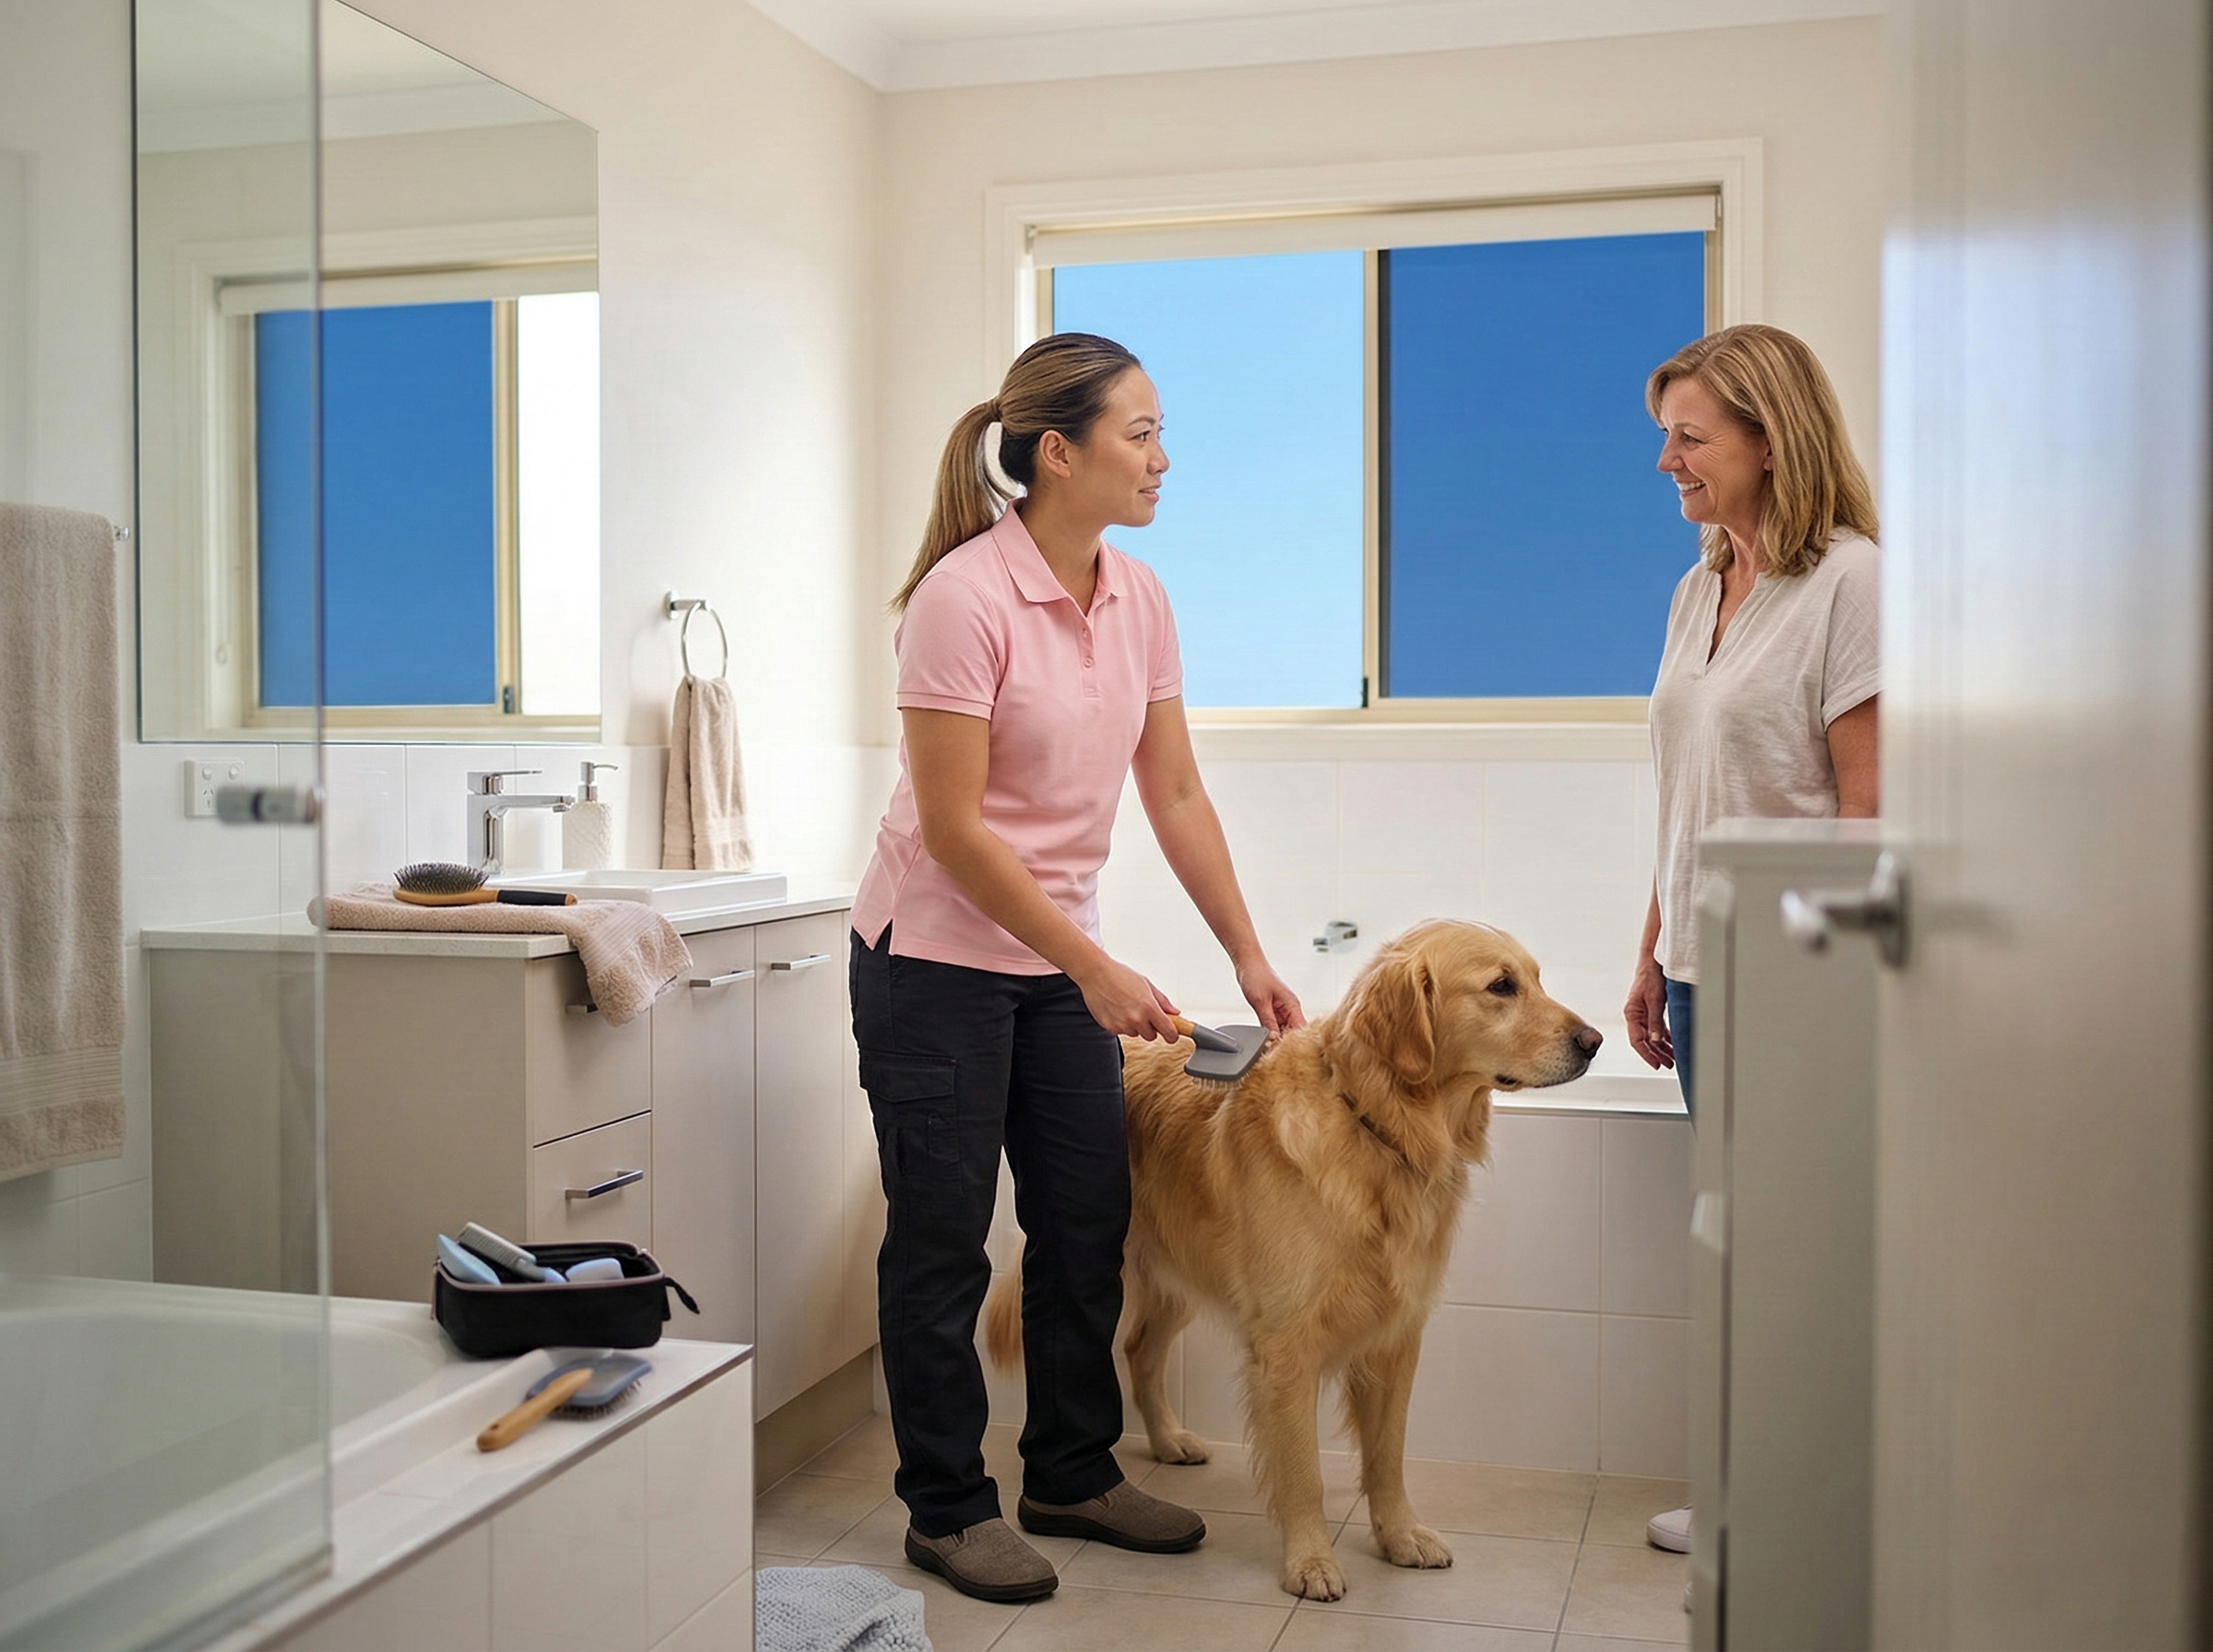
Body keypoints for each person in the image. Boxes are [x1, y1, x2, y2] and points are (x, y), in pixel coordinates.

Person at [849, 332, 1307, 1605]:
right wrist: (1094, 967)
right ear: (1060, 453)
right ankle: (945, 1508)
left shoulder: (1138, 595)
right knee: (941, 1243)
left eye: (1161, 433)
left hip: (1052, 959)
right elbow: (954, 829)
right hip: (935, 959)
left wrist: (1249, 955)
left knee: (1087, 1224)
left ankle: (1071, 1471)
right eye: (1141, 432)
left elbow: (1172, 788)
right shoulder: (965, 597)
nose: (1163, 457)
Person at [1622, 323, 1880, 1560]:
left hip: (1799, 975)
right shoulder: (1696, 584)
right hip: (1699, 972)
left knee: (1793, 1255)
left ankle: (1790, 1515)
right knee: (1739, 1245)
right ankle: (1748, 1495)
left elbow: (1869, 813)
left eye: (1690, 438)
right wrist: (1650, 953)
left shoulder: (1850, 584)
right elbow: (1690, 789)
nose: (1667, 461)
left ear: (1770, 443)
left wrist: (1838, 1000)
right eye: (1663, 436)